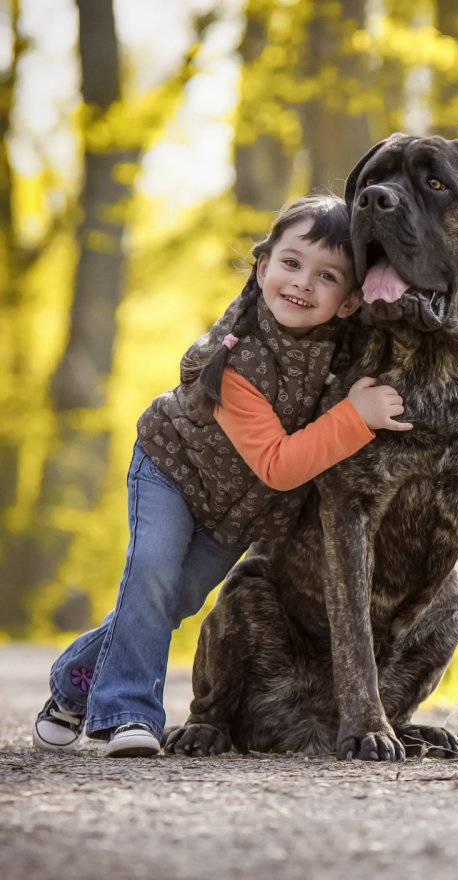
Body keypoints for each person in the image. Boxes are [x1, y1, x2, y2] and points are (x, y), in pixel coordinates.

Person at [32, 194, 409, 757]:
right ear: (263, 267)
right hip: (173, 472)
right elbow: (280, 466)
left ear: (351, 301)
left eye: (326, 276)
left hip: (236, 512)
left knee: (172, 600)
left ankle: (71, 683)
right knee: (153, 574)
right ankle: (129, 713)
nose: (302, 283)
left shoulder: (344, 354)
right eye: (290, 263)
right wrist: (355, 417)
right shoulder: (235, 358)